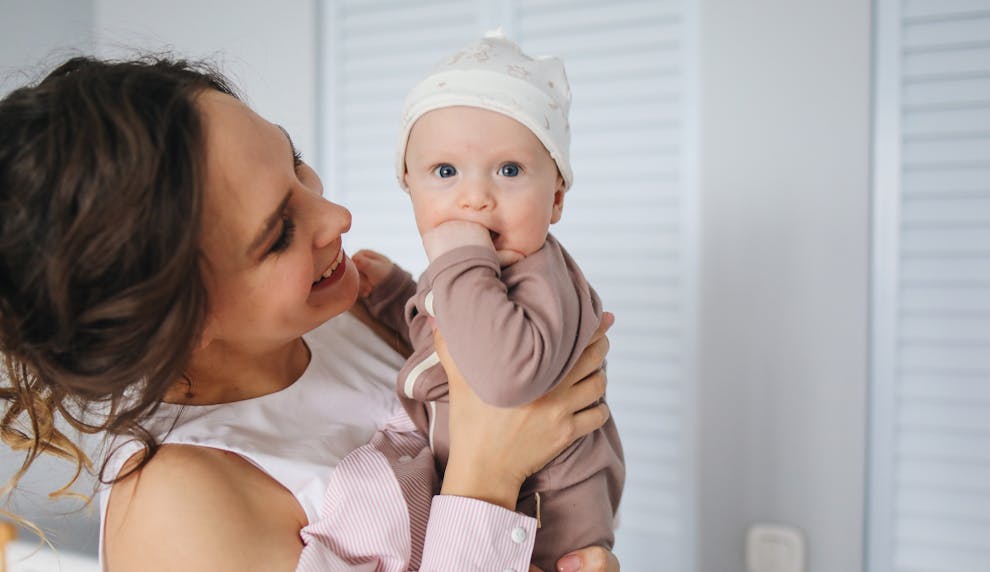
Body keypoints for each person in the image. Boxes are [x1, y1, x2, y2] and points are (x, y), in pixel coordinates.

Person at [0, 56, 620, 571]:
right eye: (278, 234)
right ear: (174, 320)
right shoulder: (180, 510)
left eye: (294, 162)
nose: (337, 218)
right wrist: (487, 474)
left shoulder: (352, 314)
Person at [351, 31, 624, 571]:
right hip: (493, 514)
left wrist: (456, 259)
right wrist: (394, 295)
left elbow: (503, 376)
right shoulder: (475, 275)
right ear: (409, 186)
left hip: (545, 526)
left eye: (510, 170)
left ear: (557, 198)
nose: (475, 197)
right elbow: (450, 335)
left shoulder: (538, 274)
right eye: (445, 172)